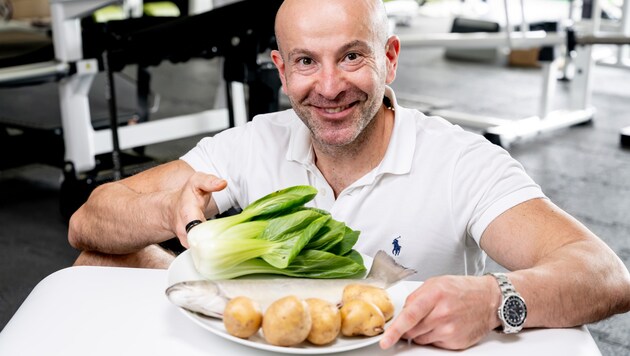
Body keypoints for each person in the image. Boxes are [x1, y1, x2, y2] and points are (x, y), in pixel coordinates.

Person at [68, 0, 630, 350]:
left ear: (390, 57)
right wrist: (166, 208)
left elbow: (605, 275)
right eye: (307, 61)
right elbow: (87, 223)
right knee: (100, 259)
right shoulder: (253, 142)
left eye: (353, 57)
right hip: (268, 341)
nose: (330, 86)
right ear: (282, 70)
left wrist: (492, 299)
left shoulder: (458, 161)